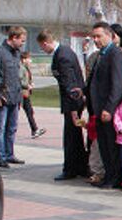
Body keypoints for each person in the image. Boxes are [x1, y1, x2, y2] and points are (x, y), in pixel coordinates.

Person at [37, 29, 88, 181]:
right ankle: (80, 166)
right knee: (75, 136)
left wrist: (73, 108)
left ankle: (71, 169)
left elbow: (69, 83)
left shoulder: (63, 55)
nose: (42, 50)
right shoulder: (65, 51)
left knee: (71, 137)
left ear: (45, 43)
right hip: (73, 101)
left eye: (42, 47)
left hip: (72, 102)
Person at [88, 21, 122, 189]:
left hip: (108, 109)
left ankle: (114, 177)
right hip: (98, 108)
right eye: (93, 37)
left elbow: (117, 84)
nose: (96, 40)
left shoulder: (115, 54)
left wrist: (109, 108)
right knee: (103, 145)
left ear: (109, 36)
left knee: (111, 145)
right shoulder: (101, 54)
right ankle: (108, 175)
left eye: (99, 36)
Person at [0, 26, 27, 168]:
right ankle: (1, 156)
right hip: (2, 97)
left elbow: (17, 76)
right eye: (21, 41)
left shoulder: (16, 54)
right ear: (14, 38)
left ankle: (9, 154)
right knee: (0, 128)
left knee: (12, 128)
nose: (23, 44)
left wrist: (21, 94)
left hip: (14, 97)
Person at [19, 51, 46, 140]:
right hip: (22, 94)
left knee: (29, 111)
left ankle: (34, 129)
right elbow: (19, 80)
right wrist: (27, 85)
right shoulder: (21, 68)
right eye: (28, 59)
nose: (30, 61)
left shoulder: (26, 68)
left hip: (26, 93)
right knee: (26, 111)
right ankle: (34, 129)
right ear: (24, 59)